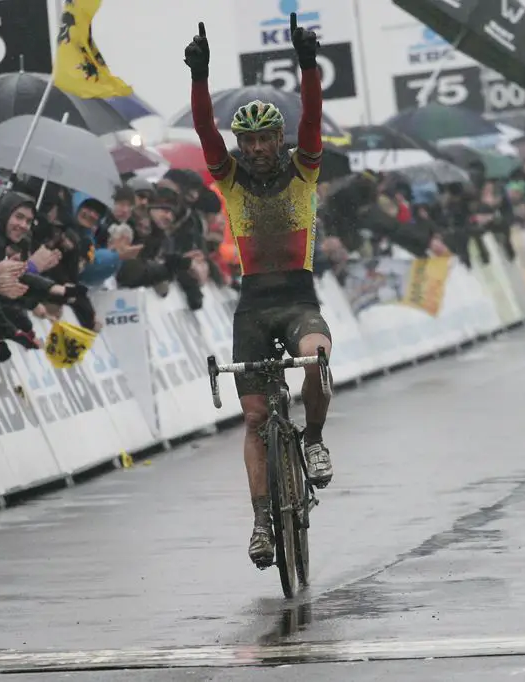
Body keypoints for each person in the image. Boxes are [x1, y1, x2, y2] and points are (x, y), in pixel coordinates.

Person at [185, 14, 334, 569]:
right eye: (248, 139)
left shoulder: (305, 170)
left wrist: (308, 65)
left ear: (279, 137)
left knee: (316, 362)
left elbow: (313, 115)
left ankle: (314, 439)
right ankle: (260, 524)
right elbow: (205, 133)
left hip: (298, 299)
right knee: (253, 419)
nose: (257, 147)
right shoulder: (231, 178)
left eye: (266, 137)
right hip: (253, 306)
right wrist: (200, 77)